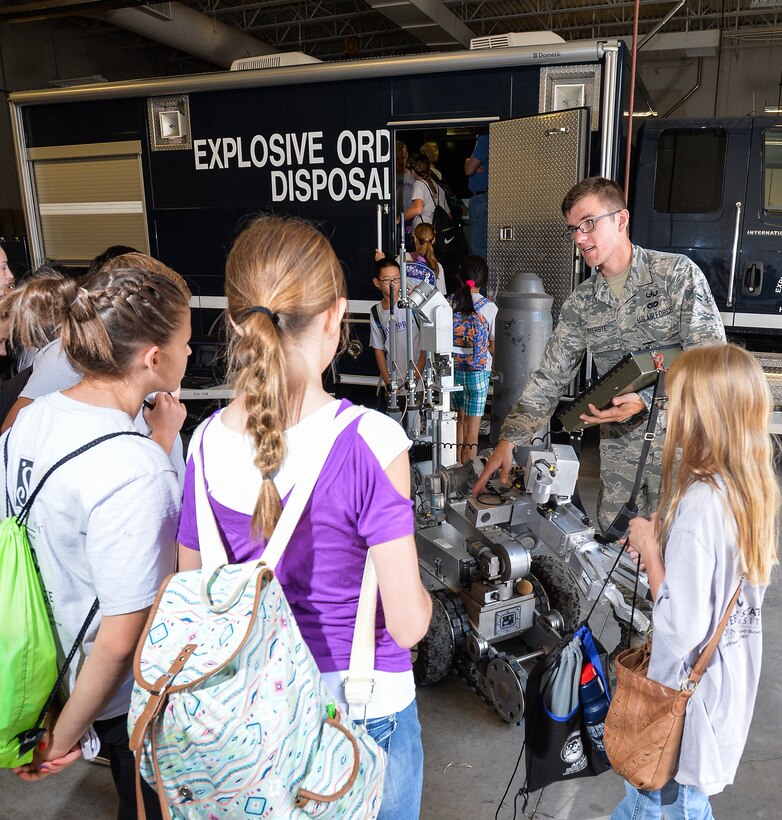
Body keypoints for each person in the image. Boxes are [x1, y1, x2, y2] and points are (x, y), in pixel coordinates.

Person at [177, 215, 432, 820]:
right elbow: (407, 625)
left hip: (242, 726)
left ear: (237, 322)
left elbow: (191, 594)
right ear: (334, 316)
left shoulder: (203, 442)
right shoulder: (374, 441)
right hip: (363, 713)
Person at [6, 264, 190, 820]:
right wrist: (61, 739)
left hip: (44, 664)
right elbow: (118, 639)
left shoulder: (31, 420)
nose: (191, 352)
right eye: (184, 340)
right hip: (118, 701)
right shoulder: (135, 470)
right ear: (153, 358)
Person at [474, 176, 726, 532]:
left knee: (685, 559)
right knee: (613, 562)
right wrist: (509, 439)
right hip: (621, 460)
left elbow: (712, 362)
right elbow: (549, 377)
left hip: (684, 450)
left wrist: (647, 399)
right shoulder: (581, 303)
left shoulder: (675, 275)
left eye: (589, 223)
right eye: (574, 229)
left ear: (621, 220)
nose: (579, 237)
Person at [612, 343, 779, 819]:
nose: (668, 411)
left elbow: (681, 627)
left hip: (680, 714)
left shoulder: (699, 503)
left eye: (677, 400)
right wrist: (667, 550)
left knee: (660, 806)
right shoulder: (746, 487)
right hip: (721, 696)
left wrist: (649, 547)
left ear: (704, 413)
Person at [0, 255, 189, 484]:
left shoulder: (137, 377)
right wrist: (163, 437)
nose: (188, 351)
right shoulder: (64, 363)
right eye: (182, 340)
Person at [449, 256, 496, 463]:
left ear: (460, 278)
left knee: (458, 421)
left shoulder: (449, 303)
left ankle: (454, 471)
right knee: (472, 432)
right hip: (478, 374)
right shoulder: (490, 308)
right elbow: (494, 346)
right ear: (484, 281)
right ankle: (467, 480)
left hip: (453, 372)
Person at [404, 152, 449, 230]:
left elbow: (418, 209)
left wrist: (398, 219)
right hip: (435, 232)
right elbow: (448, 215)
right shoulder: (439, 188)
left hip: (423, 231)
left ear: (413, 171)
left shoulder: (419, 184)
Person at [465, 131, 489, 261]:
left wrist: (468, 162)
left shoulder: (485, 137)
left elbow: (468, 169)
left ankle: (478, 280)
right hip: (484, 198)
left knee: (478, 248)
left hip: (481, 199)